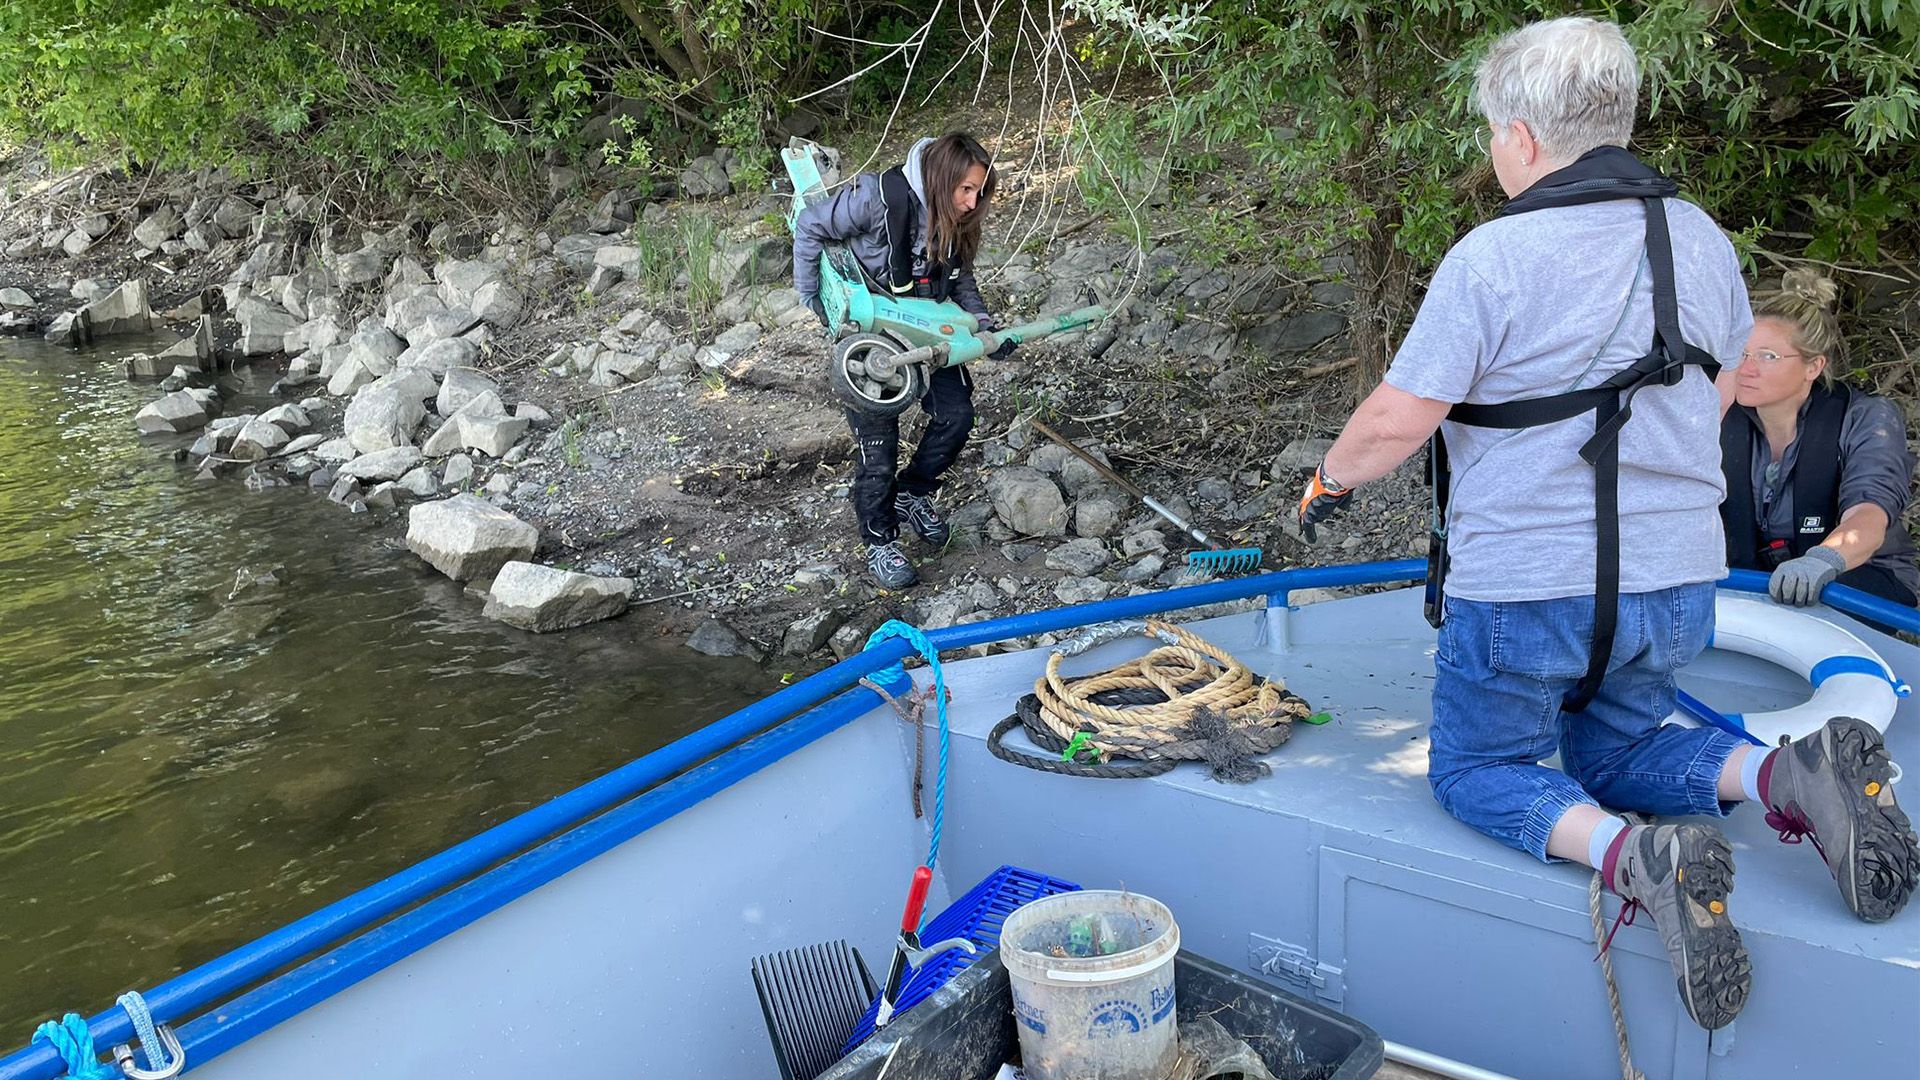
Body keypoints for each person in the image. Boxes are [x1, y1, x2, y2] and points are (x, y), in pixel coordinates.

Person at [1294, 17, 1918, 1032]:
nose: (1494, 152)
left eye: (1495, 133)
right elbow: (1710, 402)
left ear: (1527, 139)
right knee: (1619, 749)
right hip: (1671, 587)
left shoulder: (1492, 257)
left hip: (1527, 589)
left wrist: (1328, 482)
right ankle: (1777, 772)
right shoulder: (1704, 243)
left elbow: (1398, 420)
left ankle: (1636, 858)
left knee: (1477, 769)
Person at [791, 132, 1009, 589]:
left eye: (979, 191)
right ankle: (880, 542)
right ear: (940, 177)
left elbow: (960, 277)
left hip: (931, 326)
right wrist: (813, 297)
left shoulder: (958, 219)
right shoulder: (876, 196)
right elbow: (811, 224)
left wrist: (984, 326)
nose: (972, 202)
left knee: (957, 417)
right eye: (965, 189)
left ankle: (914, 496)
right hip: (872, 337)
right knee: (878, 454)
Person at [1722, 268, 1920, 611]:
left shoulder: (1865, 417)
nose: (1747, 368)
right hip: (1756, 576)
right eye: (1742, 353)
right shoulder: (1721, 412)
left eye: (1768, 356)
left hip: (1859, 575)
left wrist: (1822, 561)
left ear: (1813, 367)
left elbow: (1869, 515)